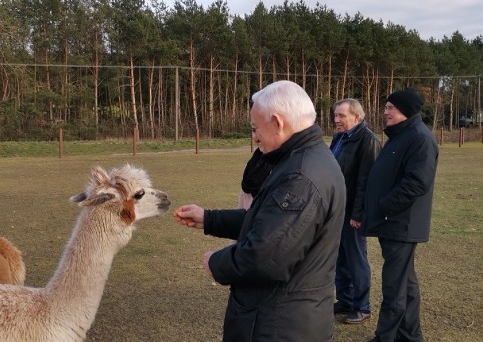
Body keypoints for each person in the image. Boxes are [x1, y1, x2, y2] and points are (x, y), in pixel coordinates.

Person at [173, 80, 345, 341]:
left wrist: (216, 263)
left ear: (277, 122)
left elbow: (265, 258)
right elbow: (266, 222)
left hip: (278, 324)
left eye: (255, 128)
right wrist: (209, 219)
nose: (254, 137)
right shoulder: (304, 160)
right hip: (289, 318)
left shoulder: (300, 177)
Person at [364, 88, 438, 342]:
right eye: (386, 107)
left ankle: (386, 337)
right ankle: (410, 334)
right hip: (392, 222)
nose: (385, 112)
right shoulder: (401, 136)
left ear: (405, 110)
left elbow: (417, 182)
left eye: (390, 108)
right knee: (405, 282)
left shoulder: (420, 139)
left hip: (401, 223)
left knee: (394, 284)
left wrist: (385, 206)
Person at [329, 98, 381, 325]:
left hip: (353, 213)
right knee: (340, 258)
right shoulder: (338, 138)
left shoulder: (368, 141)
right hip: (337, 210)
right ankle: (346, 300)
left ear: (357, 117)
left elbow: (366, 182)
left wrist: (358, 214)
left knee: (356, 258)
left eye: (341, 115)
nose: (336, 119)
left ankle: (363, 306)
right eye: (335, 115)